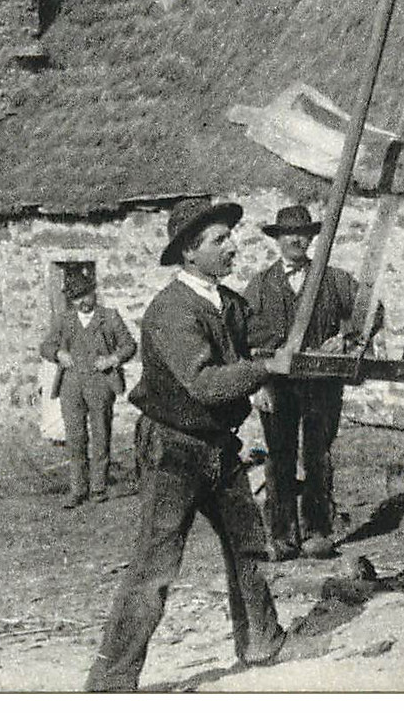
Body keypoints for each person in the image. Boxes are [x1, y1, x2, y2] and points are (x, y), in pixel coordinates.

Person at [86, 198, 303, 691]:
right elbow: (204, 383)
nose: (233, 247)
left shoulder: (228, 303)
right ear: (189, 251)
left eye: (231, 237)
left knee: (248, 545)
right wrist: (264, 369)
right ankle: (112, 682)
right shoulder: (168, 313)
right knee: (156, 567)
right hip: (174, 450)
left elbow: (265, 340)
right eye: (220, 240)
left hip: (218, 448)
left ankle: (262, 641)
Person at [243, 204, 382, 561]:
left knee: (318, 455)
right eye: (289, 234)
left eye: (303, 234)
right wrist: (257, 385)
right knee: (280, 456)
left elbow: (371, 310)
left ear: (312, 238)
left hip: (323, 383)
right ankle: (283, 535)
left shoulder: (333, 279)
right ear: (277, 239)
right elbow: (240, 337)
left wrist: (348, 338)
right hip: (277, 384)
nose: (297, 240)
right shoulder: (260, 286)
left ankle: (317, 532)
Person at [39, 270, 136, 508]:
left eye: (85, 295)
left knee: (101, 434)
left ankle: (98, 488)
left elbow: (129, 345)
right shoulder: (64, 319)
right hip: (70, 384)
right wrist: (58, 353)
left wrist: (112, 360)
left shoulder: (110, 317)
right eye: (76, 298)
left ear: (94, 293)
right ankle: (77, 489)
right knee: (75, 438)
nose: (82, 302)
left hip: (100, 383)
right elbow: (46, 346)